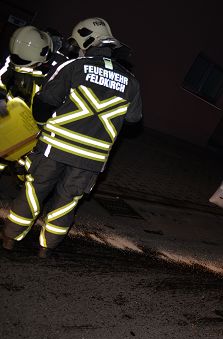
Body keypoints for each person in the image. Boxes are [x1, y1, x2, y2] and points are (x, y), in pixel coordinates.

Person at [2, 17, 142, 258]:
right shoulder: (131, 82)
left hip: (54, 148)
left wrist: (41, 125)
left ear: (87, 41)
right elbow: (133, 119)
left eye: (77, 45)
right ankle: (46, 248)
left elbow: (44, 104)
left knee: (34, 191)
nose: (77, 49)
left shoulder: (73, 66)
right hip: (91, 159)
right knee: (67, 201)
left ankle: (9, 237)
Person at [0, 25, 69, 176]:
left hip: (40, 123)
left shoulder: (63, 66)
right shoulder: (21, 51)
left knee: (27, 165)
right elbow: (3, 77)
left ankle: (25, 177)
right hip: (14, 113)